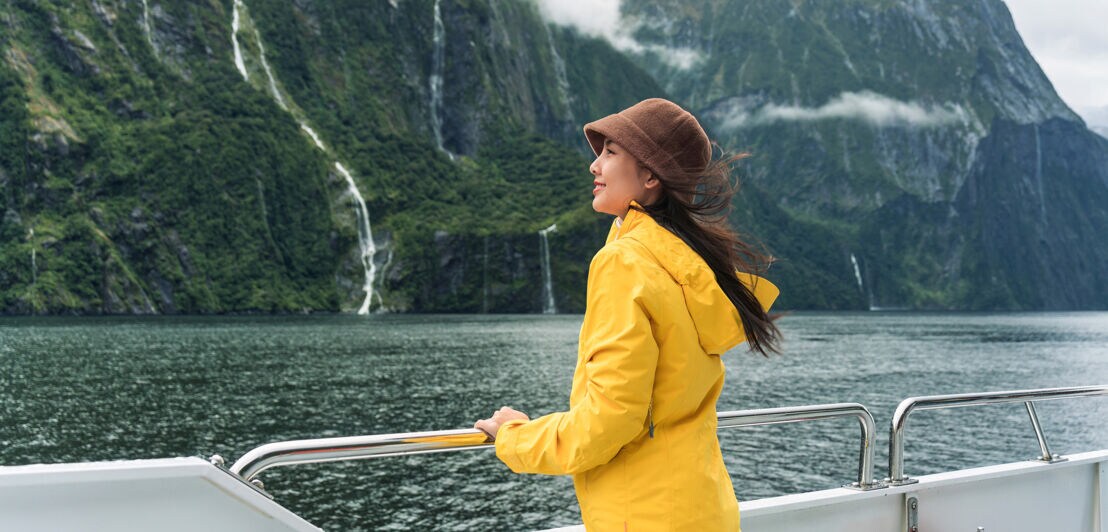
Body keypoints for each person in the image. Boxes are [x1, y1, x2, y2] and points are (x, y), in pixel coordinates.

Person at [475, 98, 782, 530]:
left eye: (611, 152)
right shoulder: (688, 265)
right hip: (703, 509)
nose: (594, 166)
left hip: (644, 516)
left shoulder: (625, 263)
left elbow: (608, 420)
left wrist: (514, 436)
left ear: (651, 174)